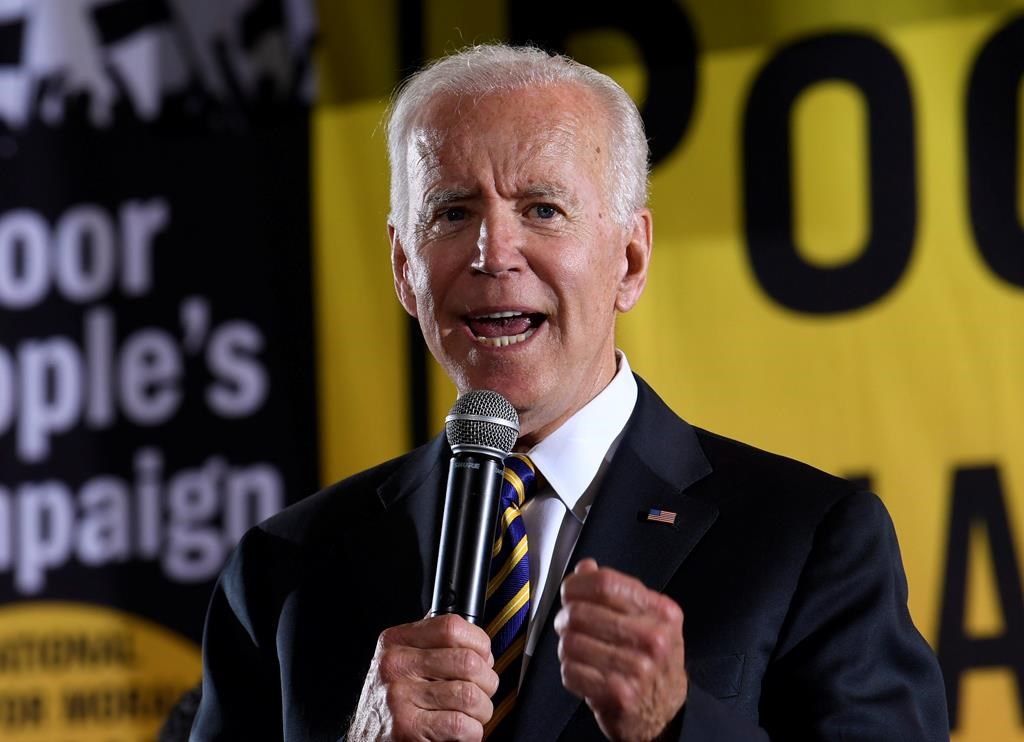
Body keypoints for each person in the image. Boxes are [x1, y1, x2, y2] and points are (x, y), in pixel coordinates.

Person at [190, 44, 948, 741]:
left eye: (542, 210)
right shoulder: (283, 573)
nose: (494, 254)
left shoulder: (809, 540)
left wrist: (676, 725)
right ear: (402, 269)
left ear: (630, 258)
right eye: (453, 212)